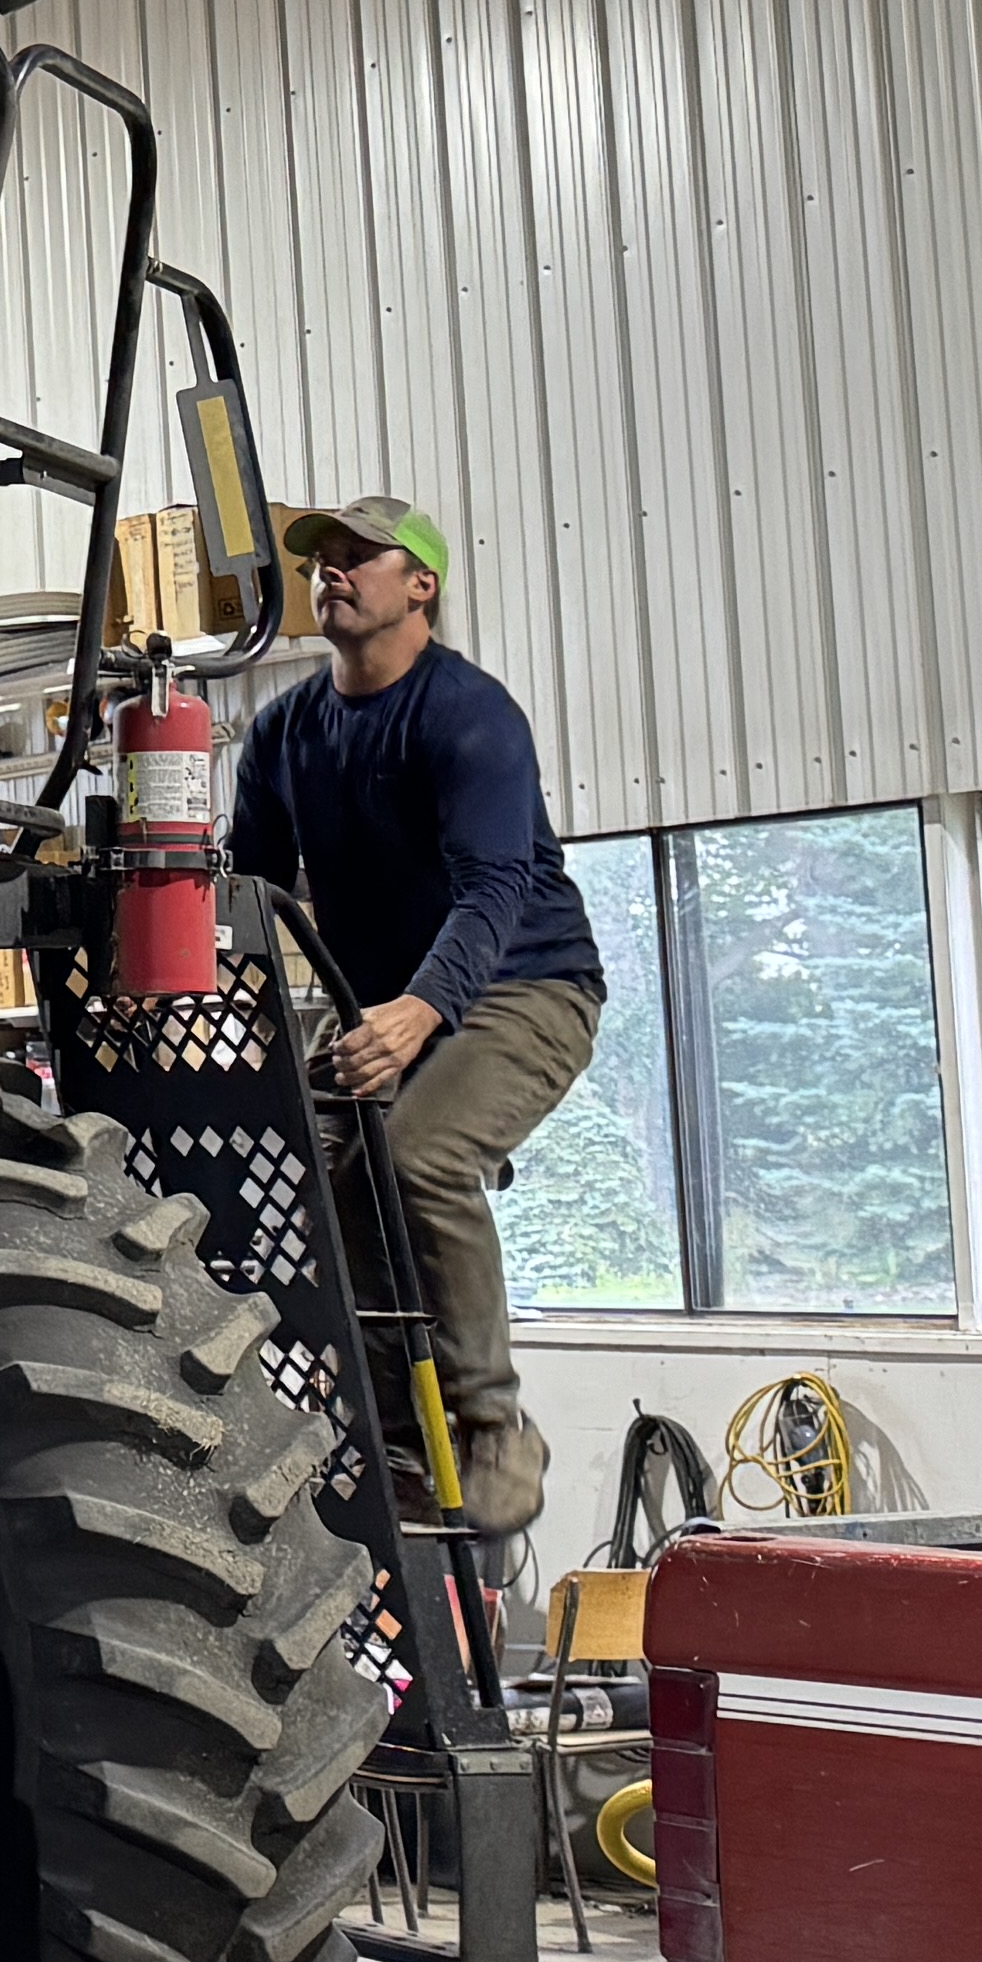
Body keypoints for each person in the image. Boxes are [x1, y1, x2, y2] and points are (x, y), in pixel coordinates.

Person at [224, 495, 603, 1531]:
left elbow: (495, 892)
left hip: (523, 986)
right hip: (375, 1001)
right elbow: (249, 893)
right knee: (316, 1170)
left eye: (359, 557)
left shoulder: (468, 715)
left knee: (419, 1158)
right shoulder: (284, 729)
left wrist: (418, 1014)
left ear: (420, 585)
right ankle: (394, 1442)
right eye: (321, 561)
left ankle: (494, 1428)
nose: (331, 572)